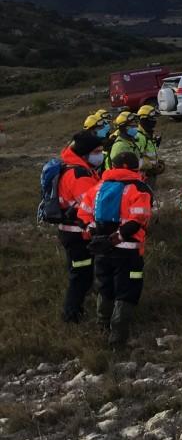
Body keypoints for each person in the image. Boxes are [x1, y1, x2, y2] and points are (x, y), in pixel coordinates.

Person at [77, 152, 153, 349]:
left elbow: (83, 214)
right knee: (126, 291)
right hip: (128, 251)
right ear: (134, 167)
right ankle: (118, 338)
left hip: (101, 249)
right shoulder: (140, 188)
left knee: (105, 286)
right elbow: (138, 220)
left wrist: (95, 234)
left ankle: (102, 326)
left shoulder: (98, 186)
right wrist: (117, 237)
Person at [56, 132, 104, 322]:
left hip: (74, 231)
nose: (100, 155)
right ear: (84, 153)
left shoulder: (78, 169)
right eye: (97, 152)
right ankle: (71, 315)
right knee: (80, 276)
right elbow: (92, 205)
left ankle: (76, 310)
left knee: (82, 273)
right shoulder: (79, 175)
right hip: (77, 234)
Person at [135, 105, 165, 188]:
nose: (154, 121)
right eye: (152, 118)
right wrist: (151, 166)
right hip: (143, 175)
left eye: (155, 118)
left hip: (150, 174)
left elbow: (148, 153)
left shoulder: (148, 134)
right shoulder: (139, 137)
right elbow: (136, 159)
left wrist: (157, 162)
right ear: (144, 119)